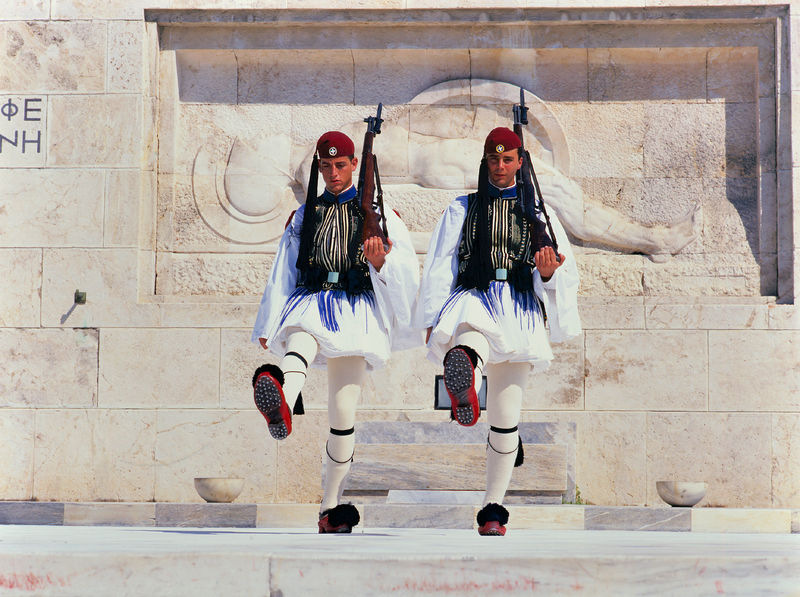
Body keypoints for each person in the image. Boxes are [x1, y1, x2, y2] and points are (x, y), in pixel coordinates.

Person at [251, 131, 419, 534]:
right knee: (300, 340)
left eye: (339, 165)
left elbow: (407, 275)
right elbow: (283, 271)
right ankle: (283, 404)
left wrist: (381, 264)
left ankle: (330, 506)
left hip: (355, 309)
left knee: (343, 416)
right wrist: (268, 322)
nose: (332, 174)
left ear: (354, 165)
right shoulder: (304, 215)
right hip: (311, 297)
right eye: (325, 167)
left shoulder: (382, 216)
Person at [416, 127, 581, 536]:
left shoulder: (541, 213)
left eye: (508, 160)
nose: (501, 166)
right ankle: (466, 377)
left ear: (519, 163)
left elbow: (565, 273)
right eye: (494, 159)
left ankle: (493, 508)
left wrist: (547, 273)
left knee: (506, 420)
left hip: (520, 306)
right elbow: (441, 263)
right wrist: (431, 317)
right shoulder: (463, 207)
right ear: (485, 161)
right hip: (476, 292)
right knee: (471, 334)